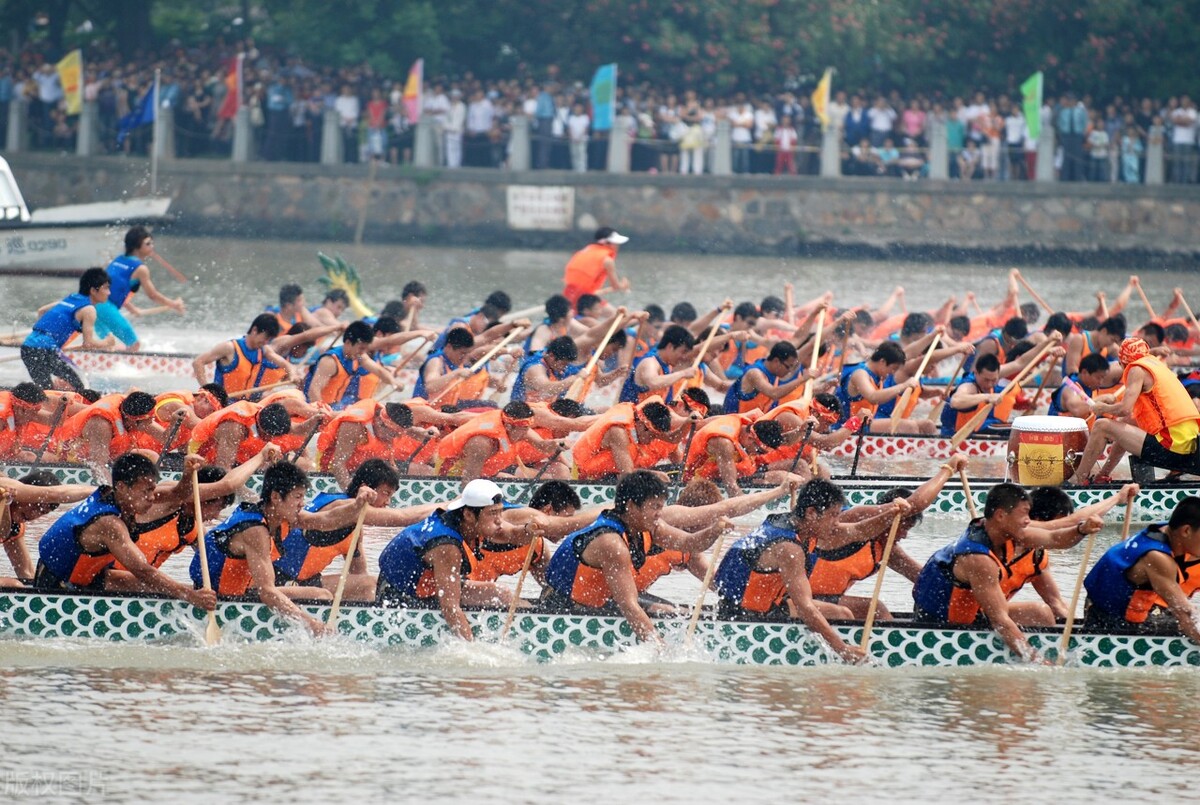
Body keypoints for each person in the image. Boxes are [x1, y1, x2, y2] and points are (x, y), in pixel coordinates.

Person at [912, 483, 1102, 662]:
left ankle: (1054, 651)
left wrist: (1081, 529)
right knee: (1014, 624)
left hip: (976, 614)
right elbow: (1000, 621)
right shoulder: (977, 558)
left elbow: (1055, 538)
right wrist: (1037, 662)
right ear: (1001, 515)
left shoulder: (1008, 533)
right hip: (943, 626)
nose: (1029, 521)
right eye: (1024, 514)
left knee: (1040, 613)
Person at [714, 479, 891, 663]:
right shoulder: (789, 548)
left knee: (842, 613)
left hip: (766, 603)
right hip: (745, 616)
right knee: (837, 615)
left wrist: (892, 513)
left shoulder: (796, 524)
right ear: (812, 513)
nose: (837, 522)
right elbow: (805, 607)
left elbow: (859, 531)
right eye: (833, 515)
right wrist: (842, 649)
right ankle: (845, 657)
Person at [543, 471, 732, 643]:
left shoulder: (649, 527)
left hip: (601, 602)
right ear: (632, 506)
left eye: (661, 506)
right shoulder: (611, 543)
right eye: (654, 507)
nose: (660, 513)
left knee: (673, 612)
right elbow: (629, 607)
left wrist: (714, 530)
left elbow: (690, 543)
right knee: (663, 612)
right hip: (564, 609)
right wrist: (660, 651)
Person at [191, 461, 371, 635]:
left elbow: (327, 520)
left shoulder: (281, 516)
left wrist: (356, 505)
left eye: (303, 496)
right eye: (297, 496)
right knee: (321, 597)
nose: (302, 503)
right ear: (276, 497)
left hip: (240, 591)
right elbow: (267, 592)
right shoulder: (255, 530)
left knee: (321, 594)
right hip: (221, 600)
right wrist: (311, 624)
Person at [34, 453, 217, 615]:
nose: (152, 497)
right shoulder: (109, 523)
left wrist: (187, 474)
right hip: (56, 588)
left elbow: (177, 495)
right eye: (146, 491)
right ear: (122, 487)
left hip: (90, 577)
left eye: (153, 490)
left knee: (155, 586)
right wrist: (190, 597)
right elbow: (142, 570)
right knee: (153, 583)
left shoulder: (118, 496)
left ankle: (206, 598)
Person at [811, 457, 967, 619]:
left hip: (824, 601)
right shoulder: (854, 518)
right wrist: (948, 468)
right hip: (798, 598)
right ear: (889, 517)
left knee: (875, 609)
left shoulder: (884, 547)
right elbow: (913, 505)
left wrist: (968, 591)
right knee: (875, 608)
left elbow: (924, 579)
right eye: (904, 528)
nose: (904, 535)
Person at [274, 460, 435, 601]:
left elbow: (359, 573)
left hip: (307, 581)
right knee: (363, 586)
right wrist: (449, 507)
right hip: (277, 579)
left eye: (391, 496)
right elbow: (403, 517)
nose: (388, 502)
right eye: (385, 493)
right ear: (365, 488)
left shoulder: (355, 530)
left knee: (367, 584)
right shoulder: (341, 505)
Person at [376, 478, 513, 641]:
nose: (499, 520)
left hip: (427, 586)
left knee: (501, 593)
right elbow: (450, 607)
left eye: (500, 511)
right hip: (398, 598)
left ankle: (509, 635)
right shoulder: (447, 546)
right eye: (492, 513)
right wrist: (471, 651)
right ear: (469, 514)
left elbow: (513, 534)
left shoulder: (461, 521)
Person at [1069, 337, 1200, 483]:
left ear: (1122, 363)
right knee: (1126, 422)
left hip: (1172, 448)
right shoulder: (1156, 363)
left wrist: (1102, 408)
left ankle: (1078, 480)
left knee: (1101, 426)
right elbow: (1127, 416)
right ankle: (1103, 475)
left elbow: (1125, 408)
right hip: (1189, 445)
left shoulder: (1136, 369)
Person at [1084, 496, 1200, 641]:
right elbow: (1184, 613)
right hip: (1112, 622)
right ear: (1186, 531)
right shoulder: (1158, 558)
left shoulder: (1164, 528)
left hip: (1106, 605)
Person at [21, 268, 115, 392]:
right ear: (93, 290)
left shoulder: (70, 298)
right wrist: (107, 342)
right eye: (106, 288)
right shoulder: (89, 309)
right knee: (81, 387)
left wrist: (49, 336)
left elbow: (42, 311)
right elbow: (88, 344)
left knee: (46, 390)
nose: (109, 293)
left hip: (27, 347)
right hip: (45, 351)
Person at [0, 470, 94, 585]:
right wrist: (99, 490)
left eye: (42, 512)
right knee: (14, 585)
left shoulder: (15, 528)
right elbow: (54, 494)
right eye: (35, 505)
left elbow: (26, 572)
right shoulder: (6, 487)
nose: (33, 515)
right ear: (27, 492)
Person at [434, 401, 566, 481]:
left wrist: (556, 444)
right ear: (508, 426)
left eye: (527, 428)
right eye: (523, 429)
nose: (527, 434)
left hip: (484, 474)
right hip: (452, 475)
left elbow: (542, 446)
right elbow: (469, 481)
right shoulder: (481, 443)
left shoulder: (520, 429)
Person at [683, 414, 785, 496]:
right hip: (694, 483)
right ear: (751, 438)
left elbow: (701, 423)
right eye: (759, 452)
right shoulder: (724, 443)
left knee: (781, 477)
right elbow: (731, 487)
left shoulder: (744, 423)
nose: (757, 455)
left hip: (721, 476)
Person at [191, 314, 296, 394]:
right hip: (224, 403)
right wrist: (207, 389)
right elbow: (198, 362)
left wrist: (292, 375)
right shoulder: (230, 348)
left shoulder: (265, 350)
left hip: (246, 405)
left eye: (269, 339)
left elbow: (286, 365)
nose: (266, 342)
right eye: (265, 338)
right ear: (255, 330)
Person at [303, 321, 396, 409]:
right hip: (313, 405)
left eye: (365, 349)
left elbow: (378, 371)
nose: (363, 352)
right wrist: (323, 413)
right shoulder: (330, 361)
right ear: (348, 343)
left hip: (334, 405)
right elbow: (313, 391)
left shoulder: (359, 357)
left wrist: (393, 382)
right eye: (361, 348)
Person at [562, 227, 632, 306]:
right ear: (606, 243)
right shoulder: (607, 260)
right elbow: (616, 287)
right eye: (615, 243)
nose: (617, 246)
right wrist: (623, 285)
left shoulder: (584, 252)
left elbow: (586, 291)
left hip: (568, 296)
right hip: (584, 301)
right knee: (611, 313)